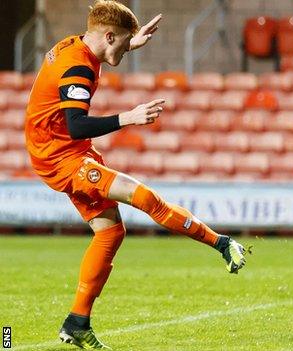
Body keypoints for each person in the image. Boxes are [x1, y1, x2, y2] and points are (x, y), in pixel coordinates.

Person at [24, 1, 247, 348]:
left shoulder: (80, 45)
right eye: (124, 44)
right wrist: (126, 118)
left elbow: (93, 58)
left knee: (110, 232)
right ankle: (220, 242)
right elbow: (77, 124)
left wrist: (129, 40)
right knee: (141, 195)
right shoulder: (77, 67)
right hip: (59, 156)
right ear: (109, 35)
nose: (127, 51)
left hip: (62, 150)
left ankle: (77, 322)